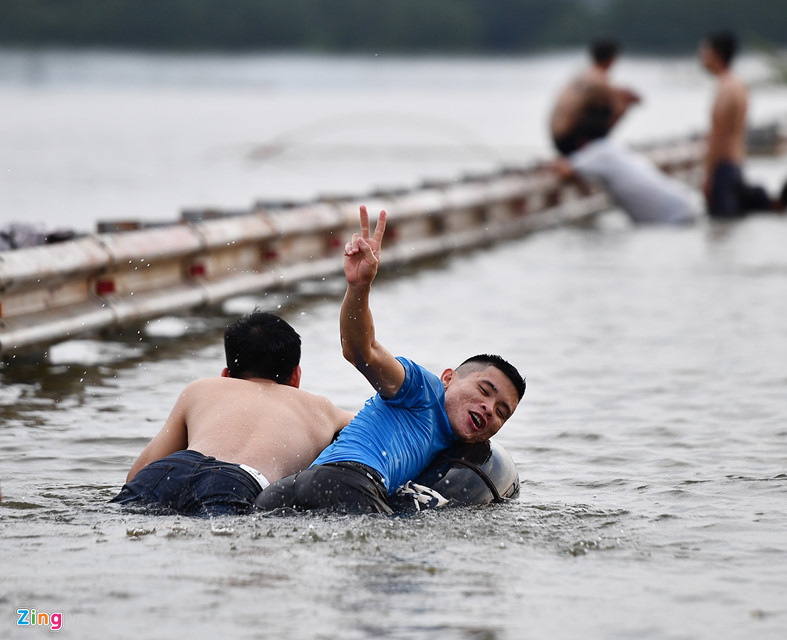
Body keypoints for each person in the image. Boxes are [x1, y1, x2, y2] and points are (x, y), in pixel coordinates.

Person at [256, 207, 526, 515]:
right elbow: (362, 350)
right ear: (448, 378)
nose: (489, 409)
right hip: (348, 483)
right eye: (485, 390)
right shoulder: (423, 389)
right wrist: (359, 287)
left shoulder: (448, 448)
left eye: (501, 412)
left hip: (286, 490)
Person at [111, 312, 354, 516]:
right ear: (296, 377)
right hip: (237, 482)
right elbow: (370, 435)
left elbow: (136, 475)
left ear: (226, 375)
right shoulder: (323, 409)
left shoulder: (201, 388)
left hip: (168, 470)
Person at [549, 38, 696, 225]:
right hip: (574, 141)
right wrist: (625, 106)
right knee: (617, 107)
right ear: (612, 59)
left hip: (559, 139)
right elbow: (620, 105)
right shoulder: (602, 82)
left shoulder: (579, 76)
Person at [700, 30, 787, 218]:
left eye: (705, 51)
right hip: (737, 163)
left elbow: (718, 136)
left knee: (721, 224)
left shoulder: (725, 89)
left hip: (723, 167)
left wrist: (708, 176)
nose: (701, 56)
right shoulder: (739, 86)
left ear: (716, 54)